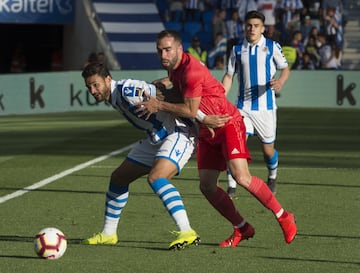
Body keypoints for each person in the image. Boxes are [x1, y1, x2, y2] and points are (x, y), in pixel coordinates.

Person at [138, 29, 297, 247]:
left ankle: (283, 215)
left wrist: (159, 103)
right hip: (207, 130)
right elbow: (181, 92)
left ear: (179, 49)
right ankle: (242, 228)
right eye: (159, 50)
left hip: (227, 123)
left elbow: (191, 110)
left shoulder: (190, 70)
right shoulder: (175, 69)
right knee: (207, 186)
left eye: (167, 50)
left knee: (242, 177)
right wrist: (162, 84)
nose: (163, 55)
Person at [80, 62, 200, 250]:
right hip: (158, 136)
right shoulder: (114, 96)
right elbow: (160, 87)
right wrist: (164, 81)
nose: (93, 90)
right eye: (89, 87)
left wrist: (203, 119)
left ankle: (187, 231)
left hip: (178, 132)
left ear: (108, 79)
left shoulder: (127, 90)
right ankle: (108, 234)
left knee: (157, 178)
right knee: (119, 178)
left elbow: (167, 96)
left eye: (96, 84)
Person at [222, 10, 290, 197]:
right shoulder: (237, 49)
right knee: (235, 145)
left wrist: (280, 82)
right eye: (249, 25)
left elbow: (285, 69)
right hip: (242, 108)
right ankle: (232, 185)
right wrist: (220, 97)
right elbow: (229, 75)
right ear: (245, 27)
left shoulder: (272, 46)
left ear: (263, 29)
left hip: (266, 109)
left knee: (268, 151)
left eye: (256, 26)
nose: (252, 29)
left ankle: (272, 176)